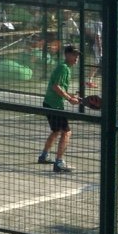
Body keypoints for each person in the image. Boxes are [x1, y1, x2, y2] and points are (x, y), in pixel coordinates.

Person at [38, 44, 80, 173]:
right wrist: (69, 99)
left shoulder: (65, 67)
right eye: (74, 55)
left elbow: (59, 87)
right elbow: (55, 87)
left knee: (56, 131)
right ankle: (59, 163)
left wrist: (71, 96)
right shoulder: (63, 68)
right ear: (67, 55)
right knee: (66, 132)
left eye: (77, 55)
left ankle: (44, 156)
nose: (76, 57)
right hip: (54, 105)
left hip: (50, 103)